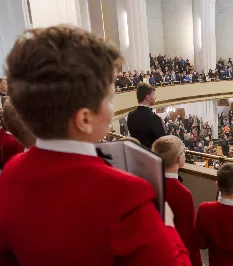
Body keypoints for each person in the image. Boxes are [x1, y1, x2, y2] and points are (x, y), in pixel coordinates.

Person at [0, 25, 190, 265]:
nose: (112, 110)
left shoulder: (10, 173)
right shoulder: (125, 193)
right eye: (109, 100)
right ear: (85, 120)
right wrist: (168, 225)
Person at [152, 136, 202, 266]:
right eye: (183, 151)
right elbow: (188, 235)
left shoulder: (147, 183)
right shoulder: (183, 194)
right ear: (179, 159)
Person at [127, 83, 166, 148]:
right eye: (153, 95)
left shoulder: (130, 115)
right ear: (147, 97)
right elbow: (163, 142)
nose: (155, 97)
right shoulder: (155, 118)